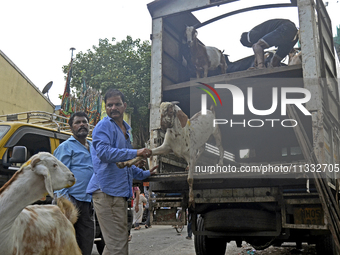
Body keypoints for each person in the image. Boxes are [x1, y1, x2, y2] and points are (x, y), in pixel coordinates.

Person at [86, 88, 157, 255]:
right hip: (105, 191)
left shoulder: (125, 130)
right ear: (106, 107)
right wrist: (136, 152)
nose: (113, 108)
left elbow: (125, 165)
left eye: (117, 104)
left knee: (117, 244)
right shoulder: (104, 126)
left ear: (124, 106)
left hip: (117, 193)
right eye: (109, 105)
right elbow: (104, 153)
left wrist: (146, 174)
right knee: (117, 244)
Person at [54, 111, 94, 255]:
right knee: (67, 242)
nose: (82, 124)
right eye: (77, 122)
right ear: (71, 127)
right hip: (71, 201)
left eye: (84, 122)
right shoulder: (66, 147)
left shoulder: (93, 146)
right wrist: (66, 203)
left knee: (86, 240)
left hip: (88, 200)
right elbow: (58, 176)